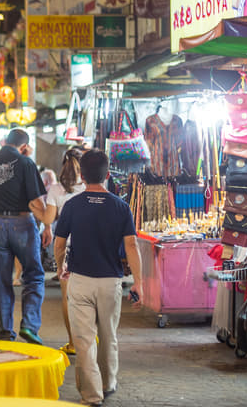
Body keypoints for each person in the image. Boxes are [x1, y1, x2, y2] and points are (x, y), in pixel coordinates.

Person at [54, 149, 143, 407]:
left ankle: (92, 395)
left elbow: (59, 245)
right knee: (108, 335)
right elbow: (132, 247)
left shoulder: (72, 205)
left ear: (82, 175)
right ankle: (108, 382)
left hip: (80, 281)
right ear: (107, 175)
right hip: (110, 282)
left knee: (83, 341)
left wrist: (61, 267)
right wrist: (138, 282)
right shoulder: (121, 206)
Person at [0, 128, 54, 344]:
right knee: (33, 275)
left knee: (2, 279)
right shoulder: (26, 163)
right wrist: (47, 224)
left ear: (6, 141)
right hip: (21, 222)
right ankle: (29, 326)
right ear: (24, 146)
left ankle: (5, 330)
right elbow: (35, 201)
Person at [48, 146, 86, 355]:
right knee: (89, 295)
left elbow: (49, 219)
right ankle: (89, 336)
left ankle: (72, 342)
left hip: (67, 248)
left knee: (68, 297)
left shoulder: (56, 189)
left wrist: (33, 206)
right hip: (89, 247)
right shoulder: (92, 186)